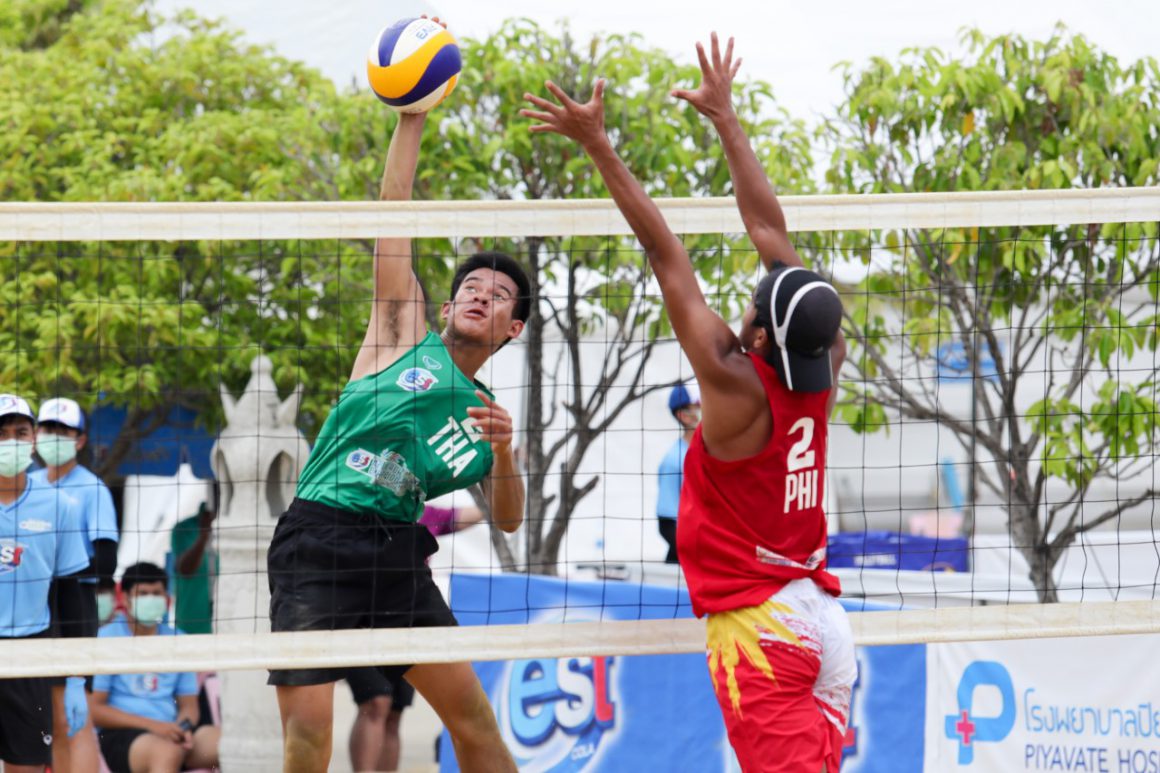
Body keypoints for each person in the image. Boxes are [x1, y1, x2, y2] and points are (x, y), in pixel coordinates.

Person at [522, 32, 856, 772]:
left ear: (760, 334)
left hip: (766, 630)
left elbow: (666, 254)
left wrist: (599, 145)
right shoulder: (823, 358)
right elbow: (770, 231)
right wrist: (725, 119)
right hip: (824, 622)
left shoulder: (733, 383)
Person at [266, 61, 529, 771]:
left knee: (475, 720)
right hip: (319, 537)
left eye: (499, 294)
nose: (481, 295)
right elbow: (393, 208)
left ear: (513, 329)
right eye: (470, 286)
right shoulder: (401, 331)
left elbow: (507, 518)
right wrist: (411, 116)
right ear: (445, 307)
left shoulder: (487, 417)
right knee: (308, 738)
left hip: (397, 555)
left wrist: (508, 454)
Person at [341, 501, 485, 772]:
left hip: (407, 623)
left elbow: (477, 514)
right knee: (375, 703)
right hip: (360, 621)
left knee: (394, 713)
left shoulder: (423, 512)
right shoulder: (356, 507)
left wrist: (501, 469)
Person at [0, 394, 92, 773]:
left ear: (34, 438)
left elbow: (74, 600)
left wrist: (77, 678)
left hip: (29, 652)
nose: (10, 442)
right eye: (1, 433)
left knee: (27, 767)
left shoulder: (60, 506)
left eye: (20, 432)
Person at [30, 396, 118, 773]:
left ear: (80, 440)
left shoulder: (91, 489)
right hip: (26, 604)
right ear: (36, 435)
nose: (54, 436)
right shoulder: (25, 484)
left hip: (72, 606)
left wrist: (53, 566)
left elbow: (107, 562)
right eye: (48, 429)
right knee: (39, 719)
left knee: (70, 717)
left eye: (64, 431)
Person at [90, 562, 220, 773]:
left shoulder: (177, 640)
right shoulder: (106, 639)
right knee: (166, 752)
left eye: (156, 593)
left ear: (166, 599)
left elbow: (189, 705)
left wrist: (183, 728)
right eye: (143, 594)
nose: (150, 599)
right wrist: (154, 726)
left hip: (172, 732)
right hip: (121, 735)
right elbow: (95, 709)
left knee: (227, 742)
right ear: (124, 598)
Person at [657, 383, 700, 564]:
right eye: (698, 405)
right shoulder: (674, 459)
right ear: (683, 416)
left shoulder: (716, 451)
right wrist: (697, 556)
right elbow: (666, 522)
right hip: (689, 557)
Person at [171, 500, 217, 635]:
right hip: (191, 625)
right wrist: (203, 537)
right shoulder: (183, 528)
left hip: (228, 620)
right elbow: (185, 569)